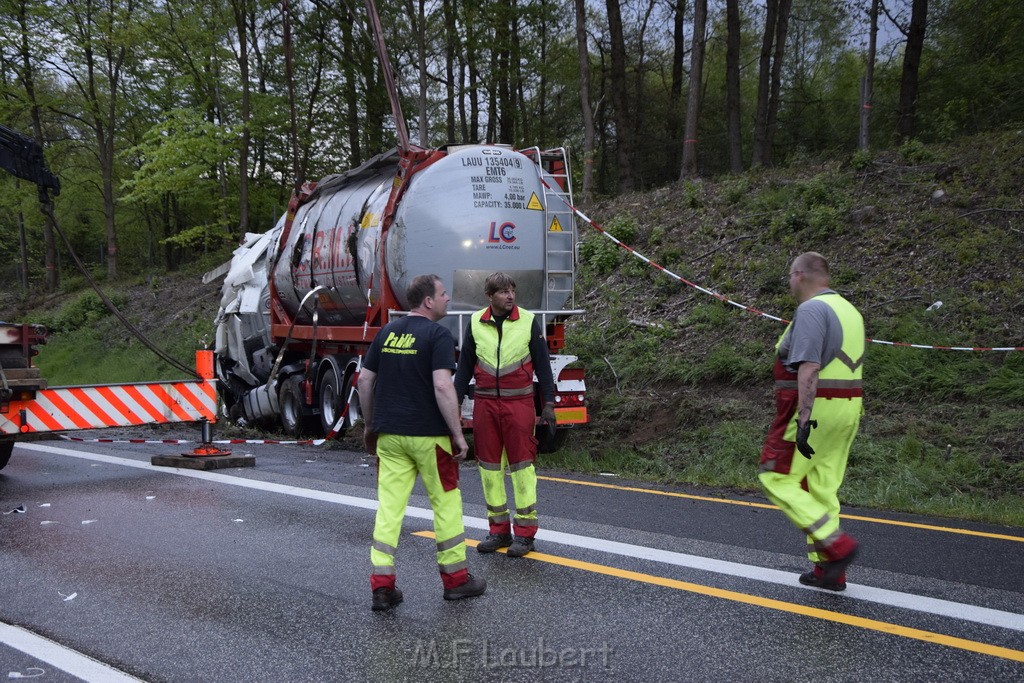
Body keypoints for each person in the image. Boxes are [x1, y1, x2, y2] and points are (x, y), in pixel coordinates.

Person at [358, 274, 486, 611]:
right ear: (427, 301)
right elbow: (444, 386)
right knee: (445, 505)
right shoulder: (438, 335)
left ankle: (382, 587)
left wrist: (371, 425)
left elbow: (366, 380)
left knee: (389, 508)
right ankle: (456, 581)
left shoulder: (386, 332)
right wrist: (458, 433)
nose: (448, 299)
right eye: (444, 294)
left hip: (389, 437)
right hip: (430, 438)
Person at [758, 252, 864, 591]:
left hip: (815, 408)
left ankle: (838, 547)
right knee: (821, 487)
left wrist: (803, 420)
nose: (789, 282)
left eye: (790, 275)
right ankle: (828, 573)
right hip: (847, 410)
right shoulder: (850, 311)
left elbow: (809, 366)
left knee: (776, 476)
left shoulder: (812, 310)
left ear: (800, 274)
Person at [454, 272, 556, 558]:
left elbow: (543, 366)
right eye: (503, 292)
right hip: (485, 405)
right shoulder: (475, 322)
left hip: (520, 404)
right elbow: (464, 369)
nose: (510, 296)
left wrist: (548, 404)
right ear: (490, 296)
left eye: (512, 290)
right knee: (489, 470)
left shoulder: (527, 320)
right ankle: (498, 531)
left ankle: (525, 535)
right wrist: (453, 405)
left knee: (523, 469)